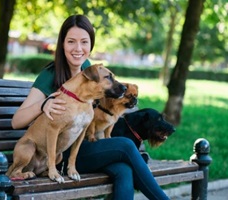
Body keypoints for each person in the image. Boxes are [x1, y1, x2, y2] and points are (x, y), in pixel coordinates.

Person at [11, 14, 169, 200]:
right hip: (58, 155)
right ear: (62, 44)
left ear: (91, 45)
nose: (78, 48)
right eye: (71, 41)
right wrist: (44, 104)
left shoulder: (91, 70)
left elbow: (107, 103)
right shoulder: (50, 75)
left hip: (85, 146)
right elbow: (16, 121)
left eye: (84, 42)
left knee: (123, 170)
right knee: (125, 145)